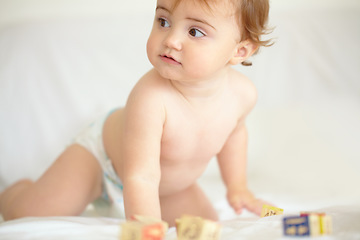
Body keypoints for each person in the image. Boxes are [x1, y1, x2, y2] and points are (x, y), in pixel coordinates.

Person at [0, 0, 273, 226]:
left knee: (205, 226)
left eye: (194, 32)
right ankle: (14, 193)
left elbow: (234, 135)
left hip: (169, 188)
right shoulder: (151, 98)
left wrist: (237, 187)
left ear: (240, 50)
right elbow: (141, 176)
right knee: (28, 213)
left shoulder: (243, 94)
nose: (171, 40)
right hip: (100, 161)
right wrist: (147, 225)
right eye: (163, 21)